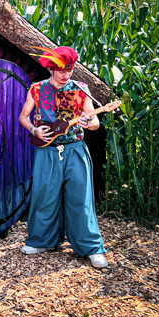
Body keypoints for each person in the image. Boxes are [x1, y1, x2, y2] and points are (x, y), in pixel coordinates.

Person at [18, 46, 108, 269]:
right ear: (51, 68)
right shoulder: (37, 89)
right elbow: (23, 116)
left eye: (69, 69)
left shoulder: (81, 89)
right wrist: (34, 130)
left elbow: (94, 121)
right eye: (60, 70)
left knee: (81, 198)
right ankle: (42, 241)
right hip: (47, 151)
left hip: (75, 150)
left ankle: (92, 248)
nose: (65, 74)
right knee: (44, 196)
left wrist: (90, 123)